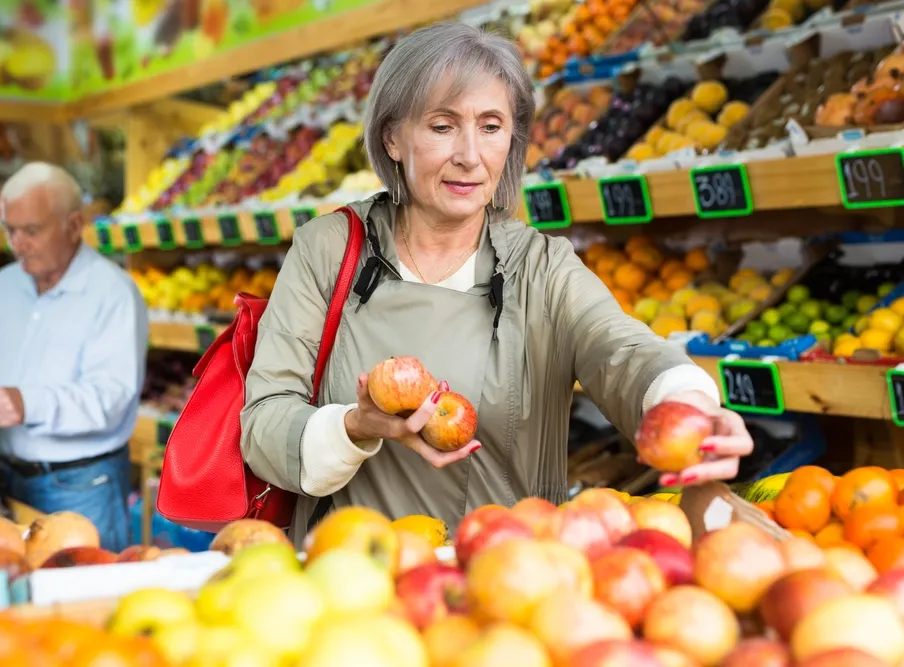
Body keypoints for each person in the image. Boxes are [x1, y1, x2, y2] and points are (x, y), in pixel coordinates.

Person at [241, 22, 754, 545]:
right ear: (393, 137)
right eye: (442, 126)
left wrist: (692, 406)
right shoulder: (327, 250)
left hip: (507, 579)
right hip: (350, 576)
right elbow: (263, 425)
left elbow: (622, 348)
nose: (470, 154)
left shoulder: (541, 266)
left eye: (491, 126)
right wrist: (355, 426)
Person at [0, 162, 149, 552]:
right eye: (10, 230)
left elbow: (110, 397)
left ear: (74, 226)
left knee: (87, 593)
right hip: (4, 475)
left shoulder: (113, 293)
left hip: (80, 487)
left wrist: (28, 403)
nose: (17, 244)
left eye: (31, 231)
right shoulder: (5, 284)